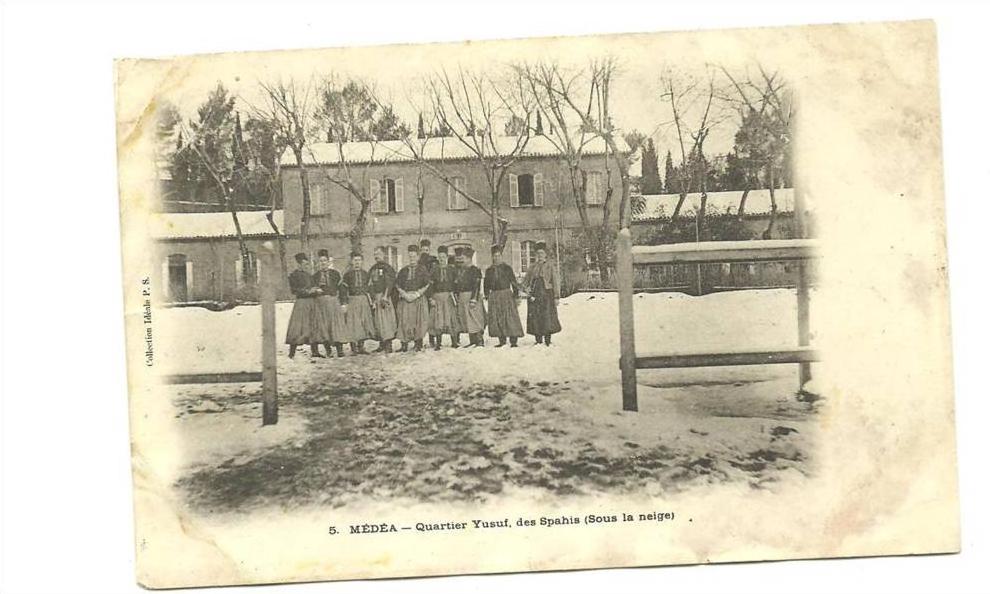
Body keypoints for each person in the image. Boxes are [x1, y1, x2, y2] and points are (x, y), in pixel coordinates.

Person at [522, 241, 562, 346]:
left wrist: (556, 296)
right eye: (538, 253)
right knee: (535, 316)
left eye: (542, 253)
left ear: (545, 255)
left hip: (547, 295)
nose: (540, 255)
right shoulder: (532, 267)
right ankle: (538, 339)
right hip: (534, 295)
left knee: (547, 317)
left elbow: (555, 281)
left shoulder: (550, 266)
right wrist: (526, 289)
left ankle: (547, 339)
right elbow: (525, 282)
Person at [483, 245, 524, 347]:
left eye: (498, 255)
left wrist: (516, 295)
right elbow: (486, 284)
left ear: (501, 256)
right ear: (492, 257)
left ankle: (513, 341)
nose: (496, 258)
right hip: (495, 296)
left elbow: (513, 282)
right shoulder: (489, 270)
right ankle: (502, 340)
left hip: (506, 295)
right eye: (494, 256)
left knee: (510, 317)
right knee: (497, 318)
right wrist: (487, 295)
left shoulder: (507, 268)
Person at [285, 253, 323, 358]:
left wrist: (316, 290)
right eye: (304, 264)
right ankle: (291, 353)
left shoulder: (309, 276)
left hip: (311, 303)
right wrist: (308, 291)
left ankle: (315, 351)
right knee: (297, 327)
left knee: (313, 326)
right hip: (301, 303)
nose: (306, 266)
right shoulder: (293, 276)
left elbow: (313, 286)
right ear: (299, 264)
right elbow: (295, 291)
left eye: (307, 264)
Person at [395, 244, 431, 352]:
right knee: (405, 321)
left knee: (418, 321)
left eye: (414, 256)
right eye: (410, 256)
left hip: (418, 299)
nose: (412, 259)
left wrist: (417, 294)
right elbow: (397, 284)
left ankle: (418, 344)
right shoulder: (403, 270)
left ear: (418, 257)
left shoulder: (422, 269)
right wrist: (404, 294)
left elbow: (427, 284)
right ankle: (404, 344)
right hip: (405, 300)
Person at [312, 249, 348, 358]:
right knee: (324, 327)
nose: (323, 263)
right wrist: (315, 290)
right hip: (321, 303)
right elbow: (312, 289)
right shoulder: (315, 276)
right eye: (321, 261)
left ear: (328, 262)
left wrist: (344, 303)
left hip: (333, 302)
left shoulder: (335, 274)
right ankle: (328, 350)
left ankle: (339, 349)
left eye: (325, 261)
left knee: (336, 326)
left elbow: (342, 289)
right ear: (318, 263)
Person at [340, 252, 376, 355]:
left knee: (363, 323)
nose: (357, 263)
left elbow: (370, 288)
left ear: (362, 262)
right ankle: (353, 347)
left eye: (359, 260)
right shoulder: (347, 275)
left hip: (363, 300)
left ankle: (361, 346)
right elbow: (343, 289)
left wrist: (372, 301)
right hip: (352, 300)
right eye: (355, 260)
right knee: (353, 324)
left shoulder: (366, 274)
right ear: (352, 262)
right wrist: (344, 303)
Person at [426, 246, 459, 349]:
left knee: (451, 319)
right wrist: (431, 298)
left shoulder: (452, 270)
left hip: (449, 297)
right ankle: (438, 343)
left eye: (443, 257)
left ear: (447, 257)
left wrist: (455, 295)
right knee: (438, 320)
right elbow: (430, 285)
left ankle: (454, 342)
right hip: (437, 297)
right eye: (440, 257)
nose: (441, 259)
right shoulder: (433, 270)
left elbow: (456, 284)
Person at [453, 247, 486, 347]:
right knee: (467, 319)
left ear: (469, 258)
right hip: (463, 297)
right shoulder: (461, 270)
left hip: (471, 297)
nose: (462, 260)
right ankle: (473, 341)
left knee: (475, 318)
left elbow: (476, 285)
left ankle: (479, 340)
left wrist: (474, 299)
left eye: (463, 258)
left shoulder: (475, 270)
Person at [368, 246, 398, 353]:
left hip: (385, 297)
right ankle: (381, 343)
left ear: (384, 255)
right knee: (378, 322)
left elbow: (390, 283)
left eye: (379, 254)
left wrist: (385, 296)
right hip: (376, 297)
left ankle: (388, 345)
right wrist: (373, 298)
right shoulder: (372, 269)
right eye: (375, 254)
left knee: (387, 321)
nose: (377, 256)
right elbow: (370, 284)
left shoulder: (388, 268)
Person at [418, 238, 441, 348]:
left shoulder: (434, 262)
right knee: (421, 318)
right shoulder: (417, 263)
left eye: (426, 250)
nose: (424, 252)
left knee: (433, 318)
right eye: (423, 250)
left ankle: (433, 340)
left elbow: (435, 278)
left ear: (429, 250)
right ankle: (420, 341)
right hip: (421, 294)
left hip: (432, 292)